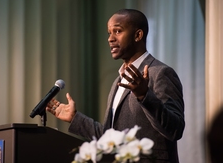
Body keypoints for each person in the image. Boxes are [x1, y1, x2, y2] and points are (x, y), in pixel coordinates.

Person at [46, 9, 185, 163]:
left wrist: (145, 95)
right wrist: (75, 118)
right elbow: (109, 136)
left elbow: (175, 129)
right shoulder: (118, 81)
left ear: (138, 35)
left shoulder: (160, 73)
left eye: (117, 31)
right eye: (109, 33)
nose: (110, 39)